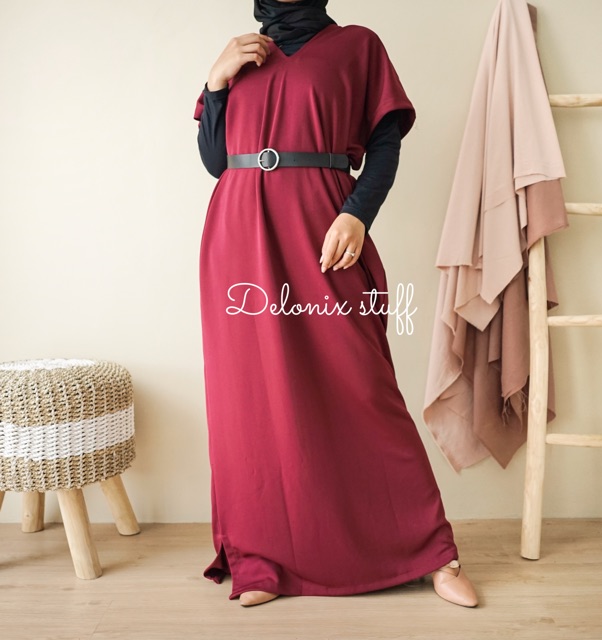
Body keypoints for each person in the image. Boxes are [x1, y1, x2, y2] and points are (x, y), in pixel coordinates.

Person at [193, 0, 478, 608]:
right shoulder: (242, 55)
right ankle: (263, 556)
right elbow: (217, 162)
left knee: (360, 383)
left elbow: (385, 145)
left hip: (325, 231)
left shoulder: (357, 46)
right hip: (239, 240)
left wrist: (356, 214)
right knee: (253, 398)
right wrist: (215, 83)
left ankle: (430, 550)